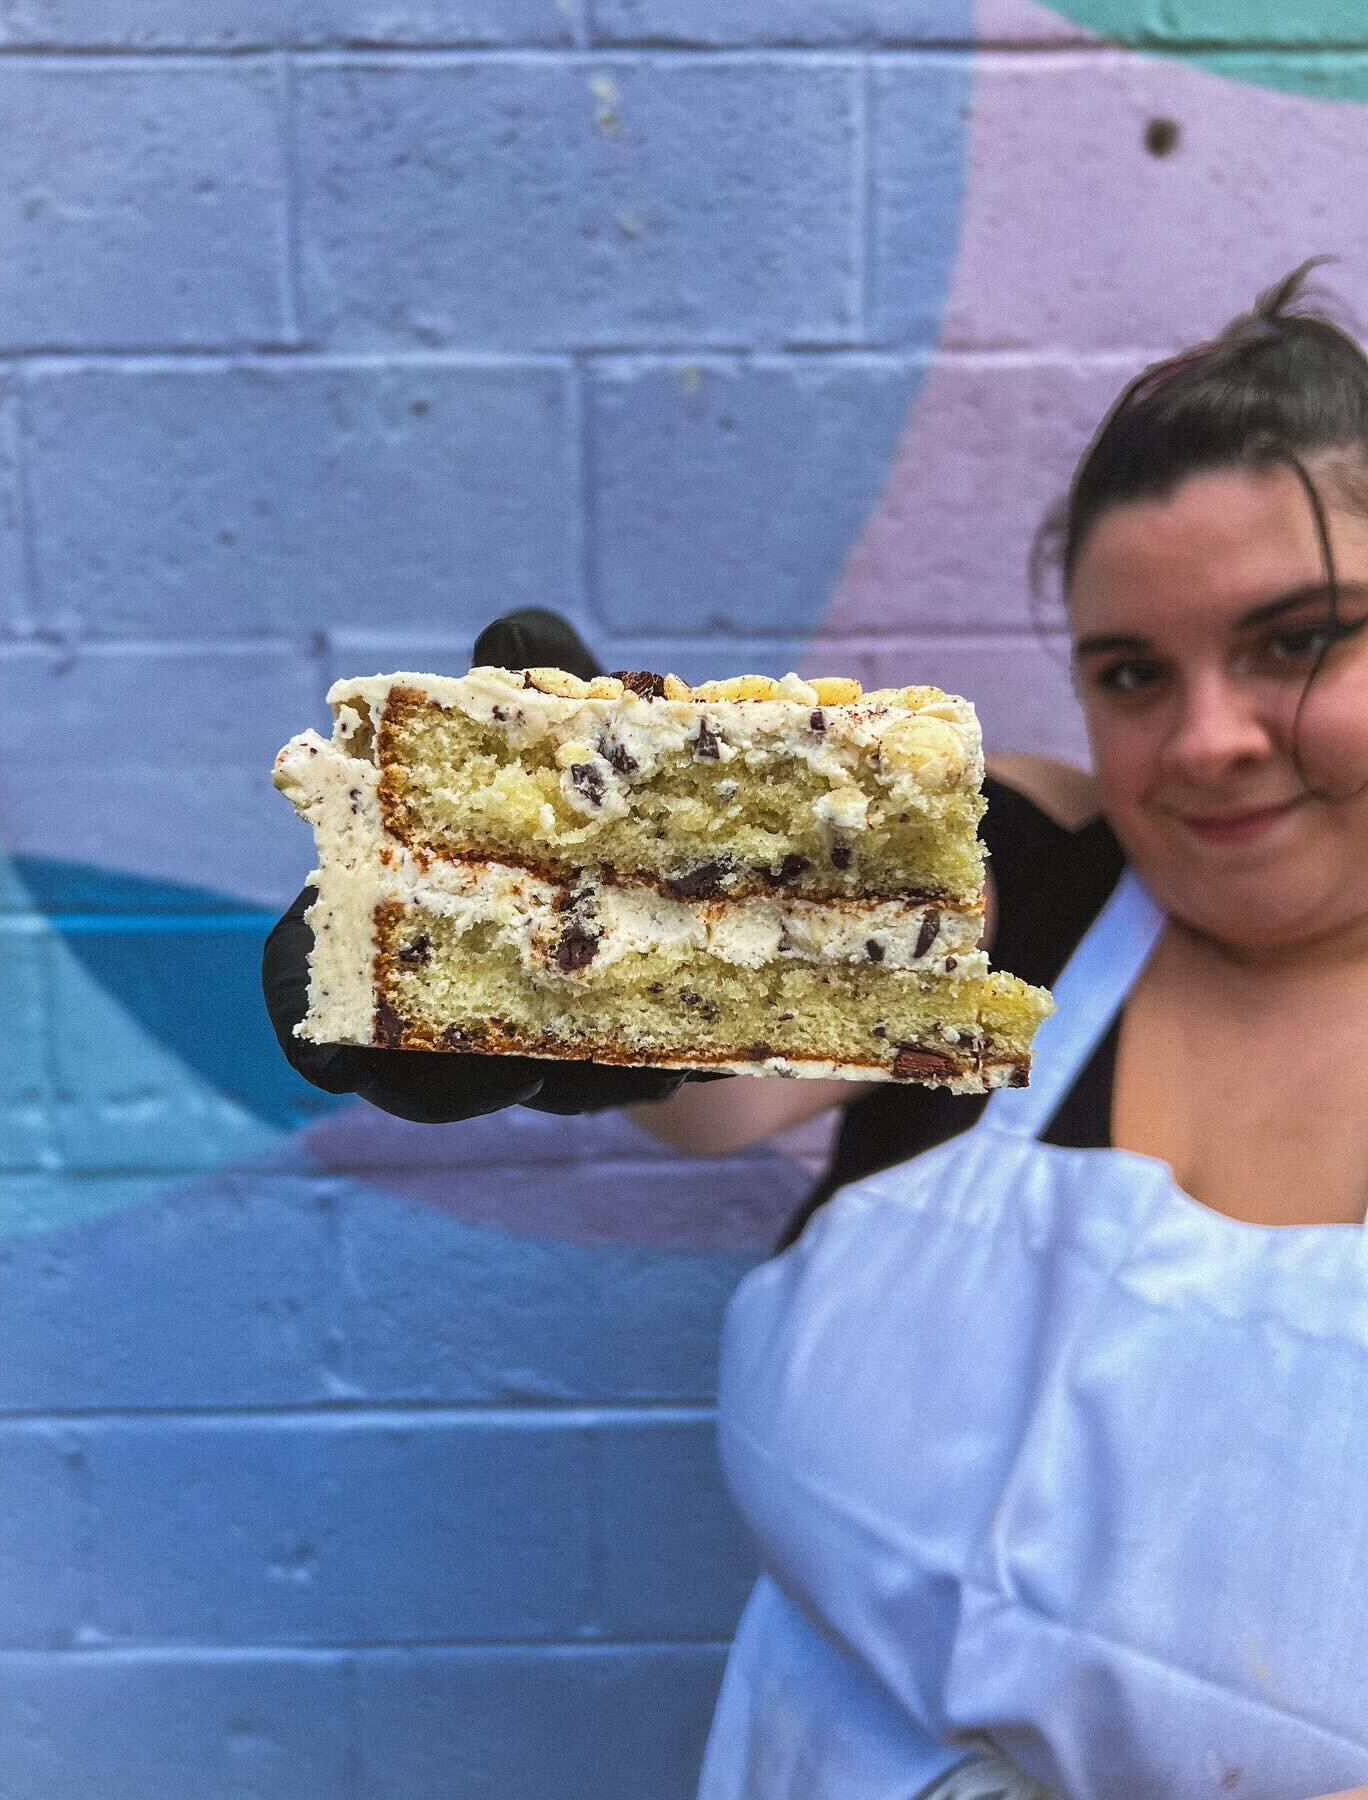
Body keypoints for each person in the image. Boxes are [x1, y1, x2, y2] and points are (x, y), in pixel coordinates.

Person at [264, 264, 1368, 1798]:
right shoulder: (1041, 883)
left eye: (1299, 640)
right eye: (1132, 672)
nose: (1207, 741)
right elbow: (712, 1084)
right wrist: (590, 948)